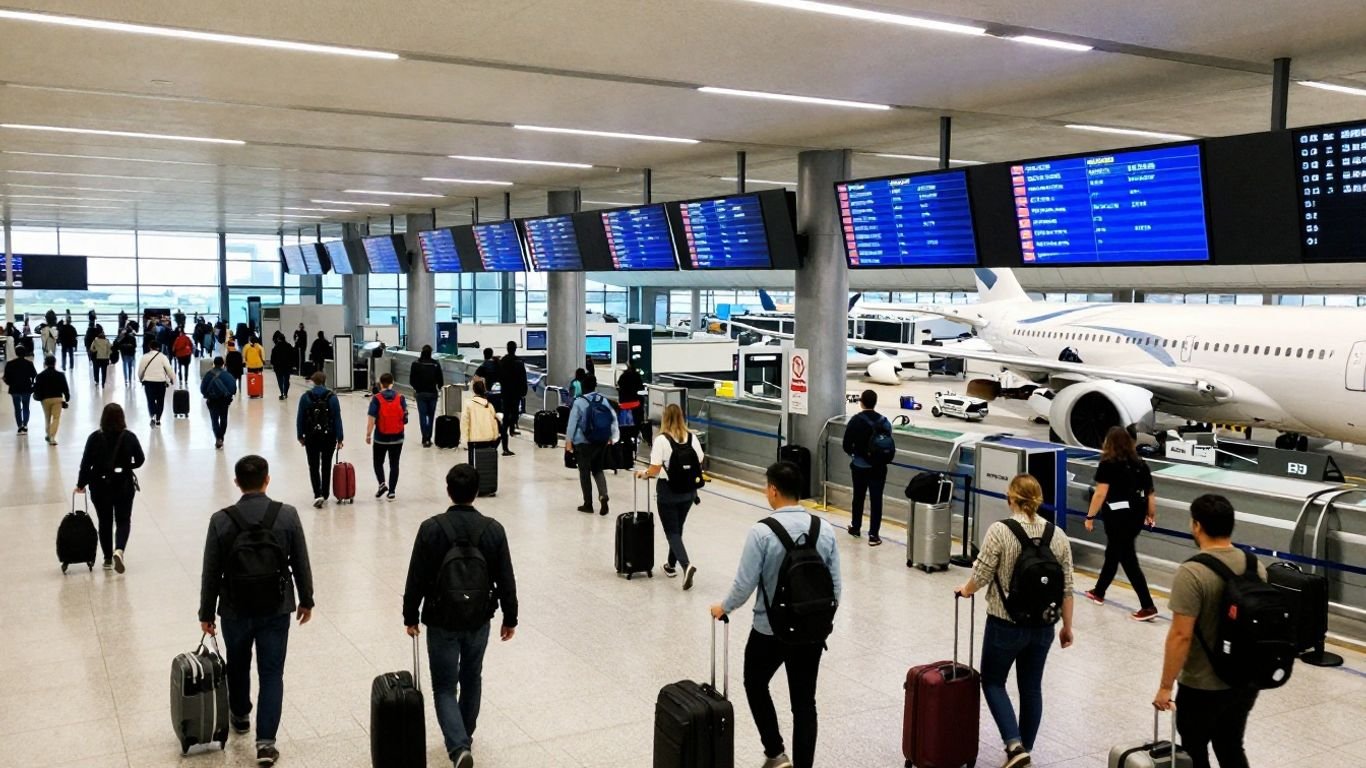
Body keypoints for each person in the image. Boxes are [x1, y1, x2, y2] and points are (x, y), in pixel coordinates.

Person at [709, 461, 842, 768]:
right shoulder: (824, 530)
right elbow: (835, 586)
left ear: (773, 490)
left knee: (755, 682)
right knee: (804, 703)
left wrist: (723, 608)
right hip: (811, 630)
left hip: (770, 629)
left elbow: (745, 584)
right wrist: (822, 622)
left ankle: (775, 752)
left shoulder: (762, 532)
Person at [198, 455, 315, 768]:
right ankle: (266, 744)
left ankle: (240, 715)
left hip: (235, 609)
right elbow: (300, 562)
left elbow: (211, 571)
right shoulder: (286, 515)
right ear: (267, 480)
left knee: (237, 665)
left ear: (237, 482)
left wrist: (206, 612)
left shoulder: (221, 520)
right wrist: (306, 599)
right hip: (276, 608)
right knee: (272, 672)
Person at [402, 464, 519, 768]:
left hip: (441, 618)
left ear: (448, 491)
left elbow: (416, 576)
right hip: (478, 617)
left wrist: (410, 615)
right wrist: (510, 617)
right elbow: (506, 578)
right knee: (471, 677)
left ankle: (458, 746)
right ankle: (463, 736)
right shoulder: (493, 529)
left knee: (443, 685)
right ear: (477, 493)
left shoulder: (431, 528)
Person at [955, 474, 1075, 768]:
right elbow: (1067, 586)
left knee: (994, 681)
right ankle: (1026, 747)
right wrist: (1067, 627)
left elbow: (982, 574)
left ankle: (1014, 744)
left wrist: (965, 590)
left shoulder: (1000, 530)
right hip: (1044, 626)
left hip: (1005, 622)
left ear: (1011, 499)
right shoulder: (1057, 534)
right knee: (1031, 687)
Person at [1153, 494, 1264, 768]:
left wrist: (1166, 687)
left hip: (1202, 684)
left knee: (1194, 749)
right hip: (1244, 681)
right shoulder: (1255, 566)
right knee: (1231, 745)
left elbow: (1181, 635)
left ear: (1197, 526)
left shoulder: (1192, 572)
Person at [1083, 427, 1159, 620]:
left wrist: (1090, 517)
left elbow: (1100, 493)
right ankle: (1099, 592)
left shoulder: (1108, 464)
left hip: (1117, 517)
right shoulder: (1141, 464)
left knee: (1127, 559)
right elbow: (1150, 493)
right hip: (1136, 516)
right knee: (1114, 553)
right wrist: (1151, 514)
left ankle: (1148, 605)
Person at [636, 403, 704, 589]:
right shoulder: (691, 437)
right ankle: (670, 565)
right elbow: (699, 459)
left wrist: (644, 474)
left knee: (672, 532)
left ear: (665, 418)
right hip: (688, 492)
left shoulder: (661, 440)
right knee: (678, 528)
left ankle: (686, 565)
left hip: (668, 491)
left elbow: (655, 469)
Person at [75, 403, 146, 573]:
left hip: (100, 485)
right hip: (123, 484)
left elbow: (86, 464)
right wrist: (127, 466)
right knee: (123, 520)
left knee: (104, 521)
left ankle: (107, 558)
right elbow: (141, 459)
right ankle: (119, 550)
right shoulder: (129, 437)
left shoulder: (94, 438)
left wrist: (81, 484)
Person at [841, 389, 893, 546]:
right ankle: (874, 535)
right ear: (875, 402)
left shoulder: (855, 421)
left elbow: (846, 444)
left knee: (858, 497)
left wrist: (855, 454)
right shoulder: (884, 421)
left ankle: (856, 527)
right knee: (876, 499)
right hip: (879, 467)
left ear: (861, 402)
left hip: (859, 466)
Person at [564, 375, 618, 515]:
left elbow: (572, 424)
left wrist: (568, 442)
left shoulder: (579, 402)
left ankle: (588, 504)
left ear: (583, 386)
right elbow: (612, 419)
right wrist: (611, 437)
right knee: (598, 469)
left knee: (584, 472)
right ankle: (603, 495)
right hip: (600, 441)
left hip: (583, 442)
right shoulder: (603, 400)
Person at [297, 371, 344, 508]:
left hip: (311, 436)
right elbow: (337, 419)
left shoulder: (305, 397)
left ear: (313, 381)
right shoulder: (332, 397)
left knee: (313, 465)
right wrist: (340, 438)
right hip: (328, 436)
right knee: (326, 464)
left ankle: (317, 494)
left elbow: (300, 418)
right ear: (324, 381)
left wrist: (300, 435)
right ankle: (325, 492)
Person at [366, 373, 409, 501]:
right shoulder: (400, 398)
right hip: (397, 437)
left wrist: (368, 434)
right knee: (394, 464)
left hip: (381, 438)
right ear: (392, 382)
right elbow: (405, 418)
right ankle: (392, 492)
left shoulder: (376, 398)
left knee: (378, 462)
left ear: (380, 383)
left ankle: (382, 483)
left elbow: (372, 419)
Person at [410, 344, 445, 447]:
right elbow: (440, 380)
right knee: (431, 416)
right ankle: (429, 437)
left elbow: (412, 380)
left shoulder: (415, 364)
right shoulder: (435, 364)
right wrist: (439, 387)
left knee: (422, 416)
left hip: (420, 393)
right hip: (432, 393)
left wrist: (417, 388)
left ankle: (424, 438)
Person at [495, 341, 527, 455]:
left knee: (506, 418)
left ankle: (504, 440)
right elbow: (523, 377)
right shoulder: (519, 362)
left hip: (505, 393)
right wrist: (524, 391)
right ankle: (507, 436)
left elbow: (499, 377)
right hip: (516, 393)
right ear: (515, 349)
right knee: (513, 416)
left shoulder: (503, 361)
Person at [136, 340, 177, 427]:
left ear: (150, 347)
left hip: (148, 382)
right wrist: (172, 379)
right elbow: (169, 369)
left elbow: (140, 370)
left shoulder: (145, 357)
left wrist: (140, 379)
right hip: (161, 382)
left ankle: (153, 414)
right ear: (158, 348)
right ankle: (158, 419)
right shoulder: (163, 357)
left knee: (150, 400)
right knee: (160, 401)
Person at [201, 357, 237, 450]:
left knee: (214, 419)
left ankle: (218, 437)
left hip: (212, 400)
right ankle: (221, 437)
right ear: (223, 364)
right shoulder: (227, 375)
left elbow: (202, 389)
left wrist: (207, 395)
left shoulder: (208, 375)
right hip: (224, 400)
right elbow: (233, 388)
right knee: (223, 418)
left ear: (214, 363)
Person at [34, 355, 70, 445]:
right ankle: (52, 437)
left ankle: (48, 434)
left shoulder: (40, 376)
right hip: (57, 398)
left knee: (47, 417)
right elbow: (65, 388)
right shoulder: (60, 375)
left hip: (45, 399)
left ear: (45, 363)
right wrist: (67, 397)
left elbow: (37, 389)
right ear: (55, 363)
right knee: (56, 418)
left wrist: (37, 397)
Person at [3, 344, 36, 434]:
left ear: (16, 353)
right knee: (25, 406)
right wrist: (32, 383)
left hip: (14, 388)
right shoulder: (29, 363)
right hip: (26, 387)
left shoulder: (10, 364)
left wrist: (9, 383)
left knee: (17, 408)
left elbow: (6, 377)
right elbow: (34, 375)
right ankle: (25, 425)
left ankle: (19, 426)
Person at [461, 378, 501, 448]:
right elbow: (494, 422)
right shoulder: (489, 405)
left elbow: (464, 423)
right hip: (488, 437)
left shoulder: (468, 405)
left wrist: (464, 440)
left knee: (474, 458)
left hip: (473, 439)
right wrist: (495, 436)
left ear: (474, 390)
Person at [616, 359, 645, 425]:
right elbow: (641, 387)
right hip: (635, 403)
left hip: (624, 403)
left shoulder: (623, 376)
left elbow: (619, 385)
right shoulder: (637, 376)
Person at [269, 332, 295, 401]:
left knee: (280, 380)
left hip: (278, 367)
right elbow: (293, 356)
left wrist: (273, 365)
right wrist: (292, 365)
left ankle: (282, 393)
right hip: (287, 367)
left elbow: (272, 359)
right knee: (286, 380)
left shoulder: (275, 347)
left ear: (278, 339)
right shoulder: (289, 346)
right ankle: (286, 393)